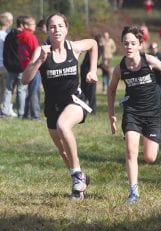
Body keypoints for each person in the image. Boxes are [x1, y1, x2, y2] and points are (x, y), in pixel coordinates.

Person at [22, 13, 98, 199]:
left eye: (60, 26)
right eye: (53, 26)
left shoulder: (74, 47)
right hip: (52, 106)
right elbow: (25, 79)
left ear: (66, 29)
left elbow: (94, 44)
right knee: (63, 151)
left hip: (75, 101)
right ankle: (80, 177)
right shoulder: (41, 51)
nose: (57, 30)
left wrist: (93, 70)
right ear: (47, 30)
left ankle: (77, 182)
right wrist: (39, 61)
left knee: (63, 126)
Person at [107, 25, 161, 204]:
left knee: (149, 158)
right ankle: (133, 193)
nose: (129, 46)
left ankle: (147, 136)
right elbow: (111, 90)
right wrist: (111, 115)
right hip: (133, 112)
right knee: (130, 151)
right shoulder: (120, 69)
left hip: (154, 113)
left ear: (140, 44)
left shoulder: (149, 60)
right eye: (126, 43)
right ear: (122, 45)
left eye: (133, 43)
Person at [2, 15, 27, 117]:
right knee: (21, 90)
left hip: (11, 67)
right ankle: (21, 112)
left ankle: (5, 110)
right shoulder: (24, 36)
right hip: (21, 67)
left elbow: (5, 52)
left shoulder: (9, 35)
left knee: (8, 89)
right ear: (22, 24)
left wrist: (7, 64)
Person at [18, 15, 40, 120]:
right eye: (33, 24)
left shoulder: (21, 36)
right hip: (33, 67)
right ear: (26, 25)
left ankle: (26, 114)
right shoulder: (31, 36)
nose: (35, 26)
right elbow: (36, 51)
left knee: (29, 91)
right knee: (34, 91)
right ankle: (35, 115)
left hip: (25, 67)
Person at [80, 34, 103, 114]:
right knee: (87, 90)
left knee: (87, 90)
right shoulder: (100, 48)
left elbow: (91, 60)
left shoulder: (95, 48)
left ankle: (91, 109)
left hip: (87, 69)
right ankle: (87, 108)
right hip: (87, 69)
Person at [0, 13, 13, 117]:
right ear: (8, 22)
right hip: (4, 66)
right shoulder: (6, 36)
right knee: (6, 89)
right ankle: (6, 109)